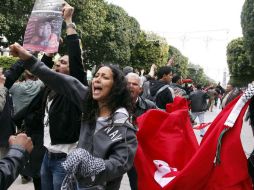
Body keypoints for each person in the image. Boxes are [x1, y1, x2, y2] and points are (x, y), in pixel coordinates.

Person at [125, 72, 156, 190]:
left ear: (141, 89)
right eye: (128, 83)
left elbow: (160, 126)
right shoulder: (113, 104)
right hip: (116, 154)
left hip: (137, 155)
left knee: (137, 185)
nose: (131, 86)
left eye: (134, 84)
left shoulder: (150, 107)